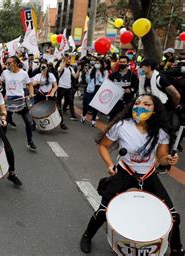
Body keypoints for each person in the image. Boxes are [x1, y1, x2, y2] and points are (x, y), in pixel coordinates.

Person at [79, 94, 183, 256]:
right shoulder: (121, 125)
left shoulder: (161, 131)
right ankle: (87, 235)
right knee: (104, 210)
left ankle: (176, 249)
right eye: (138, 103)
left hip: (148, 176)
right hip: (124, 172)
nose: (140, 106)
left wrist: (169, 160)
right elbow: (103, 146)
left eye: (147, 104)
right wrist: (110, 165)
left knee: (173, 216)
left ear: (155, 110)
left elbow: (161, 158)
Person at [0, 56, 37, 150]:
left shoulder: (23, 73)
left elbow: (30, 85)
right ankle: (2, 142)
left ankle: (30, 141)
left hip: (20, 100)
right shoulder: (5, 72)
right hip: (9, 101)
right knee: (4, 122)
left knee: (29, 122)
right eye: (6, 63)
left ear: (15, 63)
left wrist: (31, 93)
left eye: (9, 63)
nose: (7, 65)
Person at [31, 62, 68, 130]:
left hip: (50, 93)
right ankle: (34, 124)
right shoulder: (38, 75)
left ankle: (61, 123)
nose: (43, 69)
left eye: (44, 67)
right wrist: (38, 82)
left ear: (47, 68)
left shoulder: (51, 75)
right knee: (34, 108)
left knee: (58, 107)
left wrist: (53, 92)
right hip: (40, 94)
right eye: (41, 67)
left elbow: (56, 86)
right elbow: (33, 84)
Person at [108, 55, 139, 120]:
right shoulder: (113, 75)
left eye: (124, 62)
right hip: (115, 102)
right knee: (113, 120)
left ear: (127, 63)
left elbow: (136, 87)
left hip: (127, 103)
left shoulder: (132, 75)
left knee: (125, 120)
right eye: (121, 62)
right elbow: (107, 86)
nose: (122, 63)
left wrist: (130, 90)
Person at [81, 58, 107, 127]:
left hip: (98, 91)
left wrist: (99, 77)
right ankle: (83, 116)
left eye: (98, 63)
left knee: (95, 106)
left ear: (101, 64)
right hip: (89, 90)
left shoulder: (104, 72)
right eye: (96, 63)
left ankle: (93, 120)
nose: (96, 64)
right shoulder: (92, 70)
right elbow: (88, 81)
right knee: (86, 104)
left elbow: (104, 82)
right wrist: (87, 74)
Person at [56, 55, 79, 120]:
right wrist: (64, 61)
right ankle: (59, 114)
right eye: (68, 59)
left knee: (71, 101)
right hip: (61, 87)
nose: (69, 61)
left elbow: (75, 77)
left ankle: (73, 115)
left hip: (69, 88)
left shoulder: (70, 68)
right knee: (59, 101)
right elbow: (60, 70)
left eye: (69, 60)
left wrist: (78, 70)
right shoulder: (60, 67)